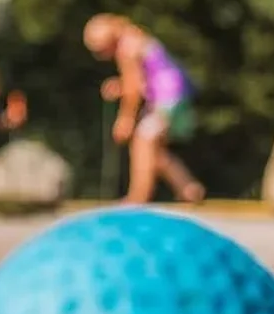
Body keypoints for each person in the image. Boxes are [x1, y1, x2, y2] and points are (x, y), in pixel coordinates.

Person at [82, 13, 207, 205]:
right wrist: (120, 86)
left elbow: (134, 87)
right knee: (155, 150)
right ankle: (188, 188)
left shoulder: (126, 47)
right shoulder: (134, 36)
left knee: (143, 141)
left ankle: (138, 197)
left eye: (99, 49)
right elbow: (144, 79)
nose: (100, 55)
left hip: (167, 98)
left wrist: (126, 119)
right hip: (176, 94)